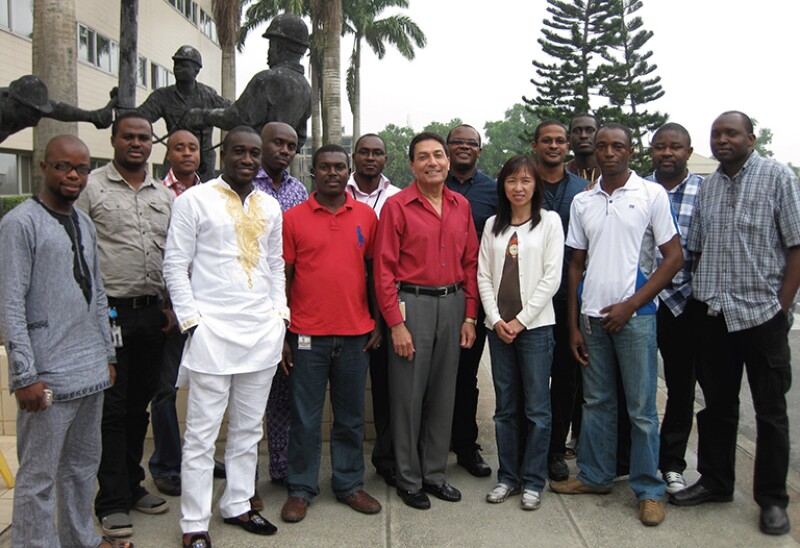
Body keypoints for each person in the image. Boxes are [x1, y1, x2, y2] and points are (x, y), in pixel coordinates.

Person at [670, 111, 800, 537]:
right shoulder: (708, 188)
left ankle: (773, 500)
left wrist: (782, 308)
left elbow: (796, 246)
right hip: (714, 314)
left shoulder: (777, 178)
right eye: (716, 134)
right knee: (718, 407)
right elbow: (699, 250)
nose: (722, 140)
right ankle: (715, 480)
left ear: (751, 137)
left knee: (771, 412)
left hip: (762, 316)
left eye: (731, 133)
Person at [0, 136, 130, 548]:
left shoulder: (84, 222)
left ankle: (81, 539)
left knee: (80, 468)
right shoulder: (19, 224)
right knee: (38, 478)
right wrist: (23, 375)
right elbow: (10, 304)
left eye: (81, 168)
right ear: (43, 167)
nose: (73, 175)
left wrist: (107, 354)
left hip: (91, 372)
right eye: (63, 167)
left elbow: (98, 296)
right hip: (47, 378)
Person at [551, 123, 683, 528]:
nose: (609, 152)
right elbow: (574, 265)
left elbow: (673, 257)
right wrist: (573, 324)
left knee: (641, 409)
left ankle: (648, 489)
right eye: (603, 146)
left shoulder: (650, 194)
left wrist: (633, 305)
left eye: (618, 146)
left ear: (630, 151)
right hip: (591, 318)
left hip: (636, 318)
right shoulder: (584, 201)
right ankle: (594, 476)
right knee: (597, 402)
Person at [164, 126, 287, 548]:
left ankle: (236, 504)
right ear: (223, 153)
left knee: (249, 431)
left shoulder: (270, 206)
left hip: (261, 334)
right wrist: (192, 323)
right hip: (212, 334)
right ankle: (194, 522)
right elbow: (174, 266)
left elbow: (276, 265)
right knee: (201, 435)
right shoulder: (193, 200)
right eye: (239, 151)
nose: (248, 160)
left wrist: (280, 316)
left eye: (255, 153)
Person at [76, 112, 175, 538]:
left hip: (151, 314)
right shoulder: (92, 188)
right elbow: (76, 255)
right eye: (128, 137)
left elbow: (173, 254)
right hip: (108, 313)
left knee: (140, 404)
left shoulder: (165, 195)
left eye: (143, 138)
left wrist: (170, 305)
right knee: (112, 409)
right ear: (114, 140)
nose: (136, 144)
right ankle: (111, 500)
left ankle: (133, 486)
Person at [374, 132, 478, 510]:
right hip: (411, 306)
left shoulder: (460, 205)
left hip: (452, 305)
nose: (432, 162)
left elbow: (470, 262)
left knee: (443, 395)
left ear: (448, 161)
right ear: (412, 164)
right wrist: (395, 324)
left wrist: (470, 315)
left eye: (438, 155)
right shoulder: (397, 206)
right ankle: (409, 478)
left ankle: (435, 475)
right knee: (407, 397)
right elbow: (384, 270)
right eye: (423, 157)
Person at [279, 144, 382, 523]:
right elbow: (284, 278)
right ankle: (301, 488)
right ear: (314, 172)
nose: (333, 173)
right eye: (325, 167)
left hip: (356, 335)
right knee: (305, 418)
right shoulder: (293, 219)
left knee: (350, 417)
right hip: (306, 335)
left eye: (340, 166)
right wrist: (283, 335)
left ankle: (349, 484)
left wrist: (377, 321)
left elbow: (375, 272)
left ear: (349, 171)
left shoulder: (367, 217)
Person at [478, 155, 564, 511]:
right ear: (503, 185)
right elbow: (483, 275)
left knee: (537, 410)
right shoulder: (492, 225)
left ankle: (532, 480)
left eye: (526, 181)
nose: (518, 187)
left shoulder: (549, 223)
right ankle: (508, 477)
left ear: (535, 186)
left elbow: (551, 277)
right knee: (505, 408)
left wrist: (521, 320)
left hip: (535, 329)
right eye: (512, 181)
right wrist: (496, 319)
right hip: (498, 330)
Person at [643, 123, 703, 495]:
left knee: (682, 387)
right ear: (651, 151)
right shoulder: (639, 189)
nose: (668, 153)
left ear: (688, 151)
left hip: (685, 303)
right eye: (660, 147)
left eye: (675, 147)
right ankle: (633, 457)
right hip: (641, 301)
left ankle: (671, 463)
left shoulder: (705, 190)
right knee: (636, 387)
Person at [251, 121, 307, 507]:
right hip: (242, 307)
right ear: (261, 143)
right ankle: (245, 481)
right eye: (278, 143)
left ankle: (282, 469)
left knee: (282, 395)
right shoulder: (242, 184)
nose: (284, 150)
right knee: (245, 403)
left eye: (291, 145)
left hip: (284, 304)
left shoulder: (298, 190)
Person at [530, 120, 589, 482]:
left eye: (559, 141)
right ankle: (527, 445)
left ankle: (554, 450)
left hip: (570, 299)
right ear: (535, 145)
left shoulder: (584, 191)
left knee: (566, 380)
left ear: (567, 146)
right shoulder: (520, 185)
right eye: (546, 140)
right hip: (527, 299)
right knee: (529, 379)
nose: (553, 145)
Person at [345, 132, 401, 487]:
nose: (370, 157)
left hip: (387, 301)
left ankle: (387, 457)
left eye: (377, 153)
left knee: (386, 386)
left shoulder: (397, 198)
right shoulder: (334, 188)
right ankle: (347, 466)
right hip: (346, 298)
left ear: (385, 160)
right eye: (363, 152)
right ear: (354, 157)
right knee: (347, 391)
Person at [148, 130, 201, 498]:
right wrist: (169, 305)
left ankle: (198, 457)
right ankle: (167, 464)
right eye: (179, 147)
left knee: (206, 388)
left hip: (209, 311)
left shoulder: (211, 194)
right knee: (165, 389)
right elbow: (161, 258)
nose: (186, 153)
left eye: (193, 147)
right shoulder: (156, 194)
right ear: (167, 153)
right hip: (169, 311)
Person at [445, 124, 497, 478]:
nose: (464, 147)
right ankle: (429, 442)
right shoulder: (431, 183)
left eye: (471, 143)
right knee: (431, 376)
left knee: (465, 375)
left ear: (480, 150)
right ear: (447, 149)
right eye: (457, 142)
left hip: (474, 296)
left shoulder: (494, 192)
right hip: (429, 295)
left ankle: (465, 444)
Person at [184, 14, 311, 147]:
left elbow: (236, 118)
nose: (268, 52)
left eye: (270, 46)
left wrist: (203, 115)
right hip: (278, 164)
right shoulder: (307, 89)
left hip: (253, 158)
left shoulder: (267, 79)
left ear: (278, 47)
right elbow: (300, 137)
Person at [136, 46, 230, 182]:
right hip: (176, 157)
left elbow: (234, 113)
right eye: (176, 64)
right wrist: (121, 105)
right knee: (167, 192)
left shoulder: (208, 95)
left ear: (196, 70)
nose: (178, 68)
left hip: (204, 162)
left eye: (184, 65)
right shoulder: (162, 96)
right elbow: (139, 118)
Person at [0, 74, 114, 143]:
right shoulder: (15, 103)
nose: (37, 120)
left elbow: (57, 109)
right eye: (33, 115)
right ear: (14, 105)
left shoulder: (23, 105)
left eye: (41, 113)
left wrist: (94, 117)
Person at [566, 113, 600, 185]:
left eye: (590, 130)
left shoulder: (614, 174)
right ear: (568, 138)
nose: (583, 136)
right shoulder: (560, 174)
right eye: (577, 131)